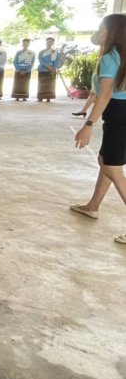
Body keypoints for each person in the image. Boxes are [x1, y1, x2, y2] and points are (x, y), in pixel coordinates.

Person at [71, 14, 126, 245]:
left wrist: (88, 124)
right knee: (106, 160)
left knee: (112, 167)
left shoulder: (110, 58)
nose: (98, 31)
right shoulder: (118, 56)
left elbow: (105, 94)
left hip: (118, 114)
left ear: (112, 32)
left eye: (102, 27)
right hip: (120, 113)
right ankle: (93, 206)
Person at [37, 37, 61, 102]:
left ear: (53, 43)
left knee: (50, 84)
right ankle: (40, 97)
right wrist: (47, 66)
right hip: (42, 68)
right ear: (45, 42)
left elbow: (57, 60)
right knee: (41, 83)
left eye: (50, 42)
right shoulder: (41, 52)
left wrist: (54, 68)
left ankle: (48, 97)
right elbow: (40, 60)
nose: (49, 43)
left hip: (52, 70)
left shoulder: (56, 52)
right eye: (48, 41)